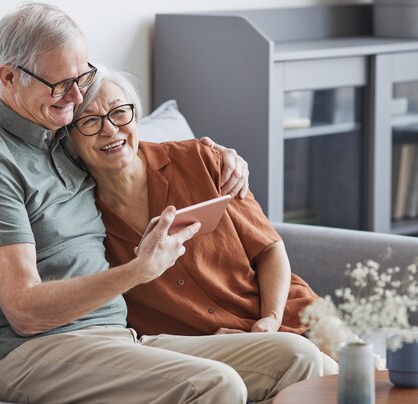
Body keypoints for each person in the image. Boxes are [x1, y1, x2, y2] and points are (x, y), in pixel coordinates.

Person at [0, 3, 324, 404]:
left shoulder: (61, 141)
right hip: (30, 353)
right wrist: (137, 271)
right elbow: (24, 311)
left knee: (295, 355)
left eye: (81, 77)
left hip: (114, 337)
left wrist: (220, 157)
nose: (75, 97)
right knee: (214, 385)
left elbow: (127, 149)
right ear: (8, 77)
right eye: (61, 84)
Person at [67, 65, 340, 374]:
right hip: (212, 348)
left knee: (367, 372)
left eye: (119, 112)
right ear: (70, 140)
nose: (110, 130)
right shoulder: (77, 221)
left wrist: (270, 321)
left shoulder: (201, 159)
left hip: (290, 313)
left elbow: (269, 249)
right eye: (89, 121)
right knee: (328, 380)